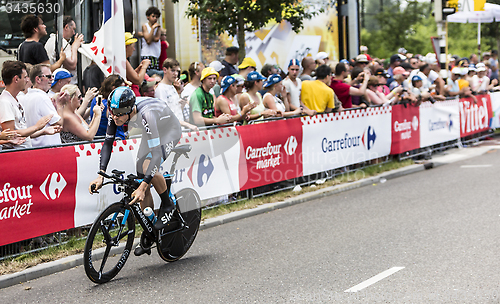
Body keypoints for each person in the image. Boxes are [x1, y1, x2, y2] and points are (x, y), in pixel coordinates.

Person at [88, 86, 184, 256]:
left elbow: (155, 155)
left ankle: (168, 205)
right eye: (112, 112)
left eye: (119, 114)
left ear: (130, 110)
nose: (115, 117)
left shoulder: (146, 114)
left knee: (148, 168)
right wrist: (100, 175)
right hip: (152, 132)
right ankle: (149, 231)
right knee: (141, 175)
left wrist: (143, 187)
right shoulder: (115, 113)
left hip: (169, 130)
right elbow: (108, 144)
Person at [0, 61, 55, 149]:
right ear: (16, 79)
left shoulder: (15, 98)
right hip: (15, 155)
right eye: (25, 77)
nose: (28, 80)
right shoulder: (5, 102)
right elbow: (11, 136)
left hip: (23, 153)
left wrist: (43, 131)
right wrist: (37, 127)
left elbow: (22, 131)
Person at [22, 64, 68, 147]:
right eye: (49, 76)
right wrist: (60, 105)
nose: (52, 79)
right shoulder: (42, 97)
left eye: (52, 76)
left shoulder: (27, 96)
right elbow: (59, 124)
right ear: (38, 79)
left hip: (36, 147)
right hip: (48, 148)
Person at [155, 58, 198, 131]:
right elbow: (165, 116)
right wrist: (187, 124)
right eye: (172, 70)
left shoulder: (172, 87)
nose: (176, 74)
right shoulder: (160, 89)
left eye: (177, 71)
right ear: (165, 70)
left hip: (178, 130)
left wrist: (182, 105)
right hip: (169, 132)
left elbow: (175, 111)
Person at [44, 16, 83, 84]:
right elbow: (72, 65)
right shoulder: (62, 42)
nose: (74, 33)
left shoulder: (49, 41)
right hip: (62, 83)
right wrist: (74, 47)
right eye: (73, 29)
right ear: (66, 27)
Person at [89, 74, 127, 140]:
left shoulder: (95, 100)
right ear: (114, 88)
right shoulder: (113, 104)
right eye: (122, 88)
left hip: (98, 140)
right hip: (116, 140)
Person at [137, 7, 162, 75]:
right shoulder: (145, 26)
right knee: (147, 75)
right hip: (147, 54)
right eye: (153, 16)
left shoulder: (158, 27)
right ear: (148, 17)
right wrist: (153, 29)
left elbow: (156, 39)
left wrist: (145, 35)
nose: (155, 19)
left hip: (156, 55)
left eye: (156, 17)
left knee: (156, 75)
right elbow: (148, 41)